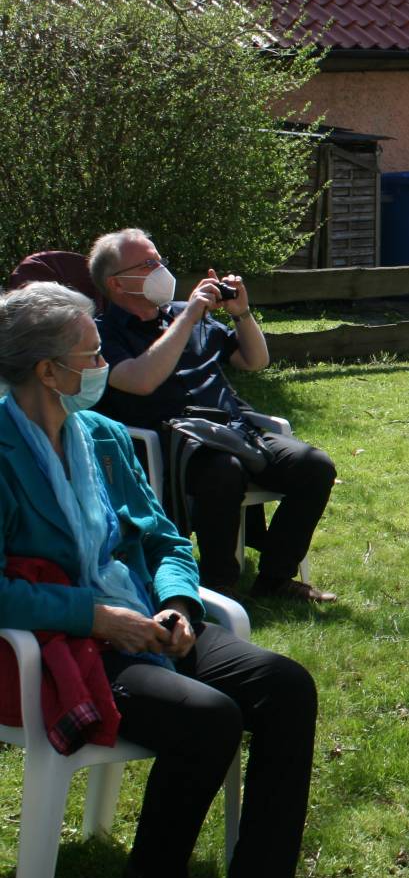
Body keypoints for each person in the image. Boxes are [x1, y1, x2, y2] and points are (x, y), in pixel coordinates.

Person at [0, 282, 316, 878]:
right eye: (91, 356)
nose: (103, 368)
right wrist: (94, 618)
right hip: (61, 648)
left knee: (286, 687)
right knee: (208, 717)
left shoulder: (102, 435)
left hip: (144, 622)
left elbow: (166, 540)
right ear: (46, 369)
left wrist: (180, 606)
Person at [88, 229, 337, 602]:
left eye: (160, 260)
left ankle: (276, 579)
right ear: (117, 283)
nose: (161, 269)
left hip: (235, 429)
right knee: (223, 471)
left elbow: (255, 361)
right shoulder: (102, 334)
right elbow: (140, 381)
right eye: (149, 264)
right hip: (173, 445)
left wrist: (242, 314)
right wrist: (187, 316)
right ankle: (220, 585)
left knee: (315, 466)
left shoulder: (185, 316)